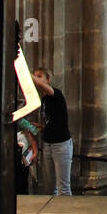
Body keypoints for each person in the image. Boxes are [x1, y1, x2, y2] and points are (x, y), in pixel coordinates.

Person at [32, 67, 73, 196]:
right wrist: (39, 126)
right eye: (35, 76)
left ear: (48, 80)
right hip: (48, 145)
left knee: (63, 188)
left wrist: (26, 73)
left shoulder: (55, 94)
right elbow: (51, 120)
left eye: (40, 76)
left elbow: (41, 85)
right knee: (50, 187)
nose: (36, 79)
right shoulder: (44, 99)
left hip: (61, 145)